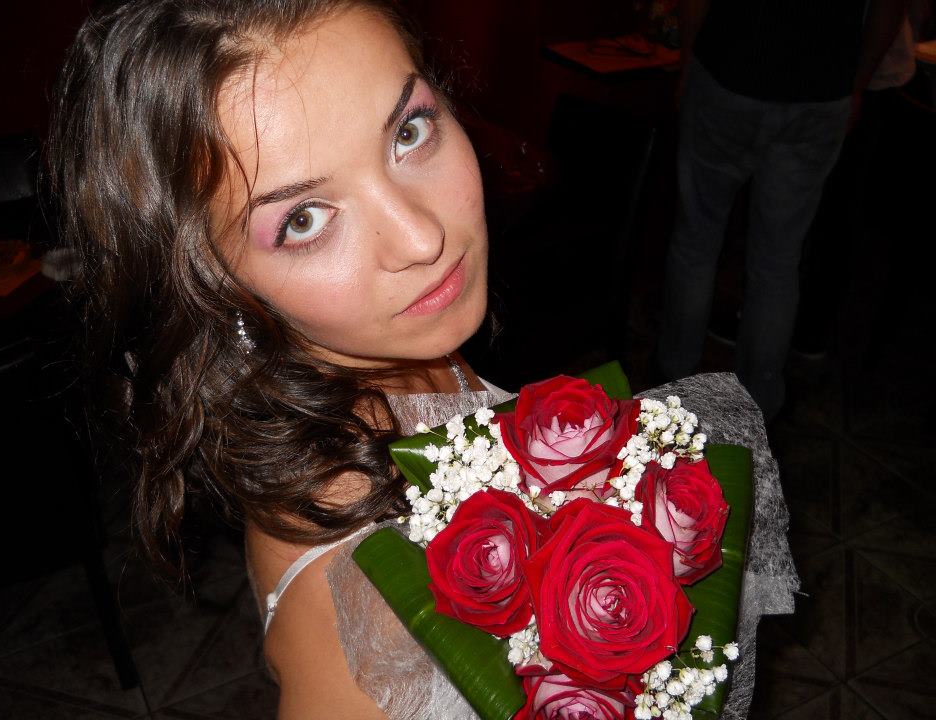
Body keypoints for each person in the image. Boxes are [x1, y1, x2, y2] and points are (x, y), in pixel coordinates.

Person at [49, 2, 797, 718]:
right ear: (214, 287)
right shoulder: (349, 587)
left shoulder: (393, 357)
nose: (422, 239)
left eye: (408, 132)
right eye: (303, 219)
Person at [657, 0, 910, 423]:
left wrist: (688, 59)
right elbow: (889, 7)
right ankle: (756, 406)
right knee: (776, 261)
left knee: (697, 242)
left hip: (731, 70)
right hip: (820, 89)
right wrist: (857, 84)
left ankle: (672, 388)